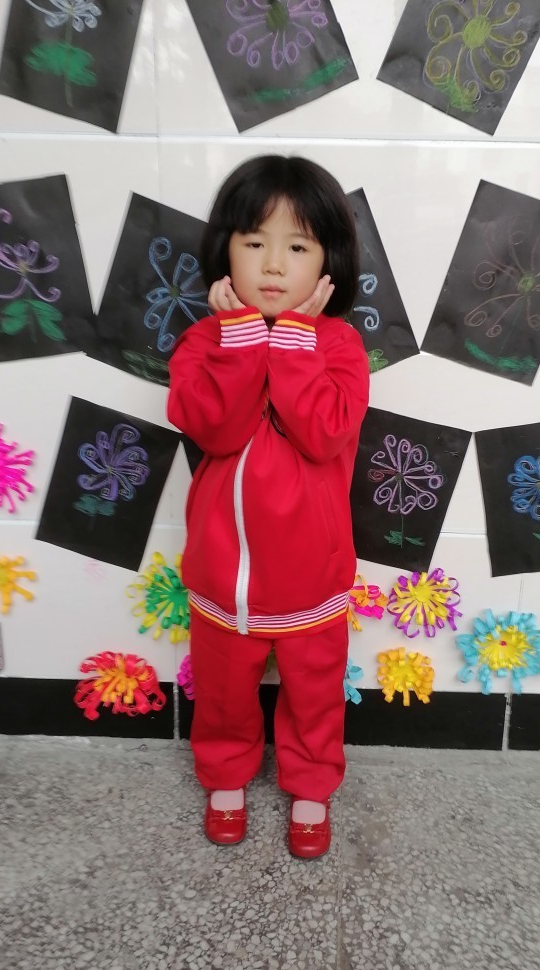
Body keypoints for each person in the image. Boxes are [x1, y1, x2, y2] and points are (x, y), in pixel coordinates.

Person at [167, 155, 369, 859]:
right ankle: (225, 778)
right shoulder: (203, 342)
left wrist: (293, 345)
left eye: (298, 246)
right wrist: (243, 344)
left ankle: (311, 788)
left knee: (314, 694)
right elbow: (215, 429)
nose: (274, 265)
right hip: (222, 577)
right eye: (254, 242)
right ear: (226, 250)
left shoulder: (340, 347)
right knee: (224, 691)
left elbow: (323, 434)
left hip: (312, 575)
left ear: (328, 263)